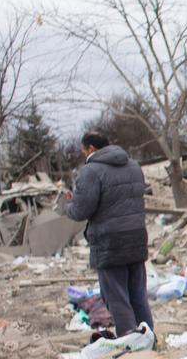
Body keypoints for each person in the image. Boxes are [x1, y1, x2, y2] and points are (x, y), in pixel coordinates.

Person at [64, 131, 154, 337]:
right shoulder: (134, 167)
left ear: (91, 149)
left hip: (110, 242)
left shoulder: (90, 171)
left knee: (117, 297)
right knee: (138, 294)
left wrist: (68, 205)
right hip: (137, 238)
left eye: (83, 151)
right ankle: (149, 338)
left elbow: (80, 211)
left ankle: (131, 343)